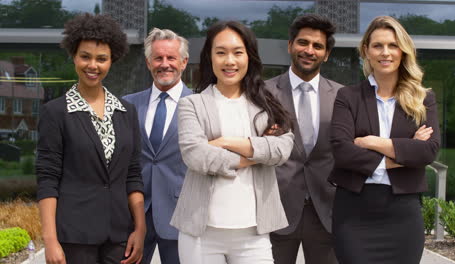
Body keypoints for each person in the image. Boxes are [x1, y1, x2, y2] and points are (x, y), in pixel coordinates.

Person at [170, 21, 294, 264]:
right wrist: (257, 154)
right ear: (210, 57)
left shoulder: (267, 105)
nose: (230, 61)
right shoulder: (192, 104)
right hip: (201, 233)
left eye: (238, 52)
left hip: (253, 233)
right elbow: (196, 155)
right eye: (221, 52)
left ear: (249, 56)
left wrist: (225, 142)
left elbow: (282, 148)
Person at [329, 16, 440, 264]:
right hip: (353, 214)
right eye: (378, 45)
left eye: (392, 45)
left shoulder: (423, 99)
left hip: (403, 214)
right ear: (366, 51)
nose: (385, 52)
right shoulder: (348, 97)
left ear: (403, 51)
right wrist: (403, 153)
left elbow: (428, 151)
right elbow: (342, 152)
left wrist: (371, 142)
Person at [36, 14, 145, 264]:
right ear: (74, 57)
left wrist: (140, 229)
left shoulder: (127, 112)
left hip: (120, 236)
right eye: (85, 56)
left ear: (111, 61)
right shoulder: (56, 112)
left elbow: (133, 174)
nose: (92, 65)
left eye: (101, 59)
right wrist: (50, 241)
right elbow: (47, 178)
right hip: (74, 237)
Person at [265, 14, 342, 264]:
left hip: (327, 210)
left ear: (326, 54)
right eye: (303, 43)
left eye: (317, 46)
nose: (309, 50)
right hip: (276, 209)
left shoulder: (343, 96)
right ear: (290, 46)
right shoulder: (263, 92)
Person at [123, 28, 191, 264]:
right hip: (133, 217)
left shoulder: (201, 105)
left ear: (183, 62)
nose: (164, 64)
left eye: (171, 58)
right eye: (158, 58)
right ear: (148, 62)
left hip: (181, 216)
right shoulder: (127, 106)